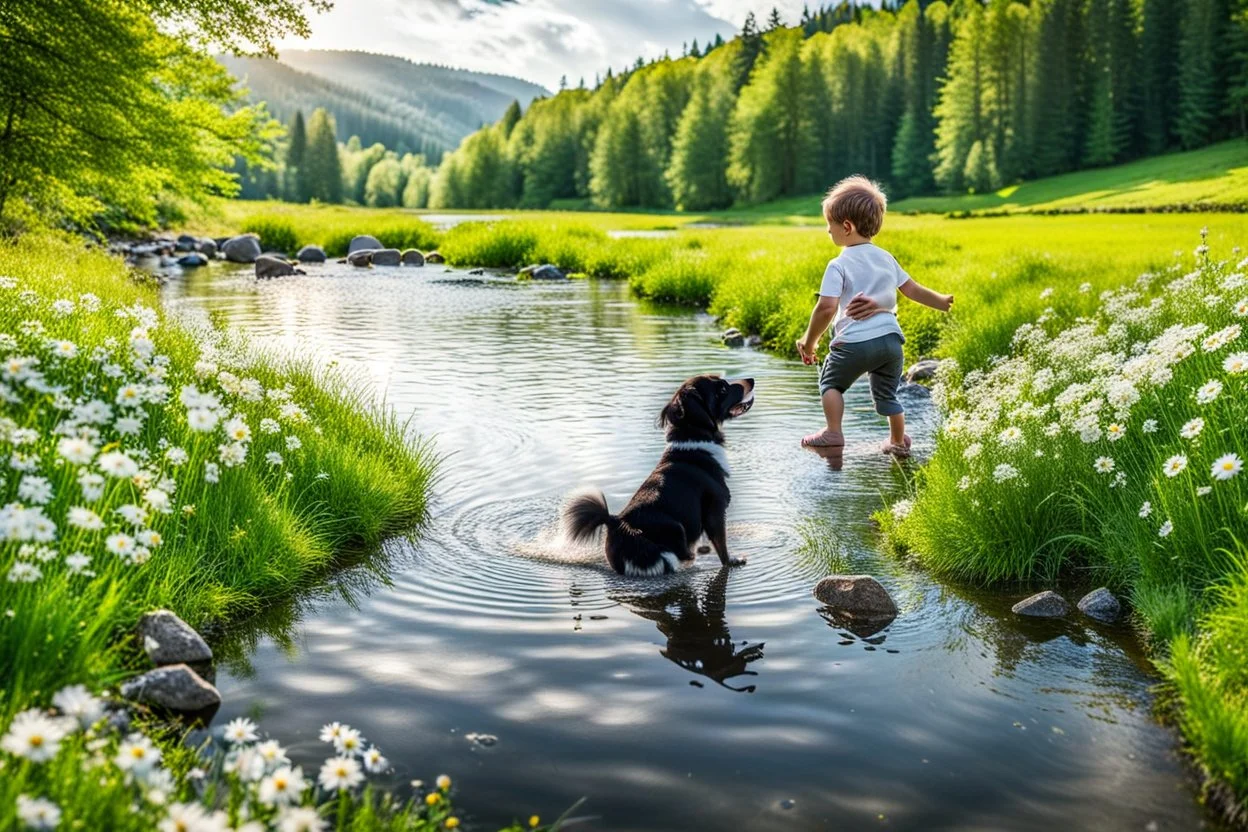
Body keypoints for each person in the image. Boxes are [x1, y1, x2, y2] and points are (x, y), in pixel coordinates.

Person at [795, 176, 953, 456]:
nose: (827, 231)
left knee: (831, 383)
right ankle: (897, 440)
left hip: (854, 342)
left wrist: (809, 342)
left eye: (829, 225)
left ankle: (833, 432)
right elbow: (912, 290)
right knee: (887, 394)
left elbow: (826, 308)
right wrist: (941, 301)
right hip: (892, 343)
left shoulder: (838, 264)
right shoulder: (886, 258)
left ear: (846, 227)